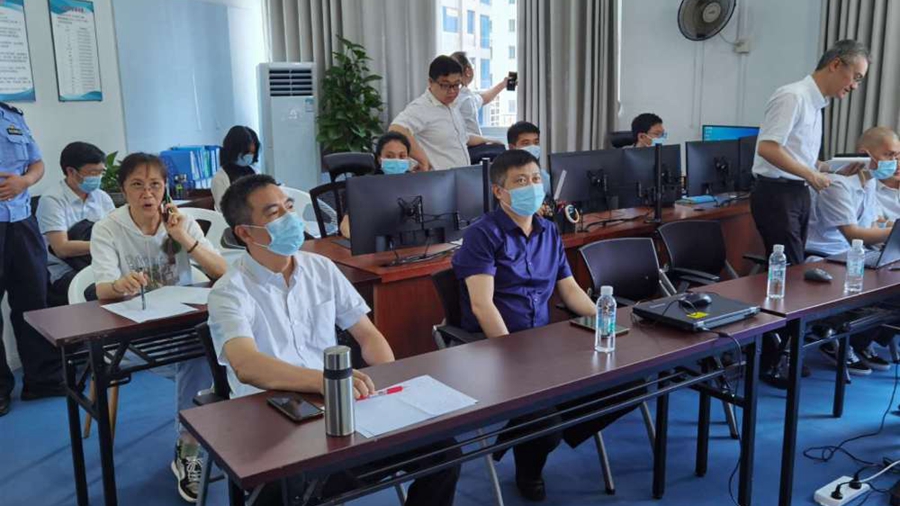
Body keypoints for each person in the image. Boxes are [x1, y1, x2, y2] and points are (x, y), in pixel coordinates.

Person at [209, 174, 460, 505]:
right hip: (273, 418)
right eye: (274, 213)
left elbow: (367, 334)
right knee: (293, 489)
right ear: (245, 233)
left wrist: (388, 380)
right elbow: (247, 365)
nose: (290, 218)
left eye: (289, 207)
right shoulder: (229, 292)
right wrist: (325, 381)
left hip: (337, 406)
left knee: (444, 452)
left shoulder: (321, 269)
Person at [452, 149, 637, 501]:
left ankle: (534, 431)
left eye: (536, 179)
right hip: (498, 346)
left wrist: (606, 323)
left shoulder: (549, 230)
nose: (531, 187)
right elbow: (482, 304)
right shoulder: (483, 234)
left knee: (630, 384)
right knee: (545, 422)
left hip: (545, 343)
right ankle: (532, 458)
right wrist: (512, 355)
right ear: (499, 192)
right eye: (520, 181)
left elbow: (570, 290)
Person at [90, 152, 228, 503]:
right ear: (123, 190)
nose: (147, 193)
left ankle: (196, 440)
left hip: (181, 324)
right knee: (200, 355)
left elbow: (221, 272)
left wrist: (183, 237)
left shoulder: (180, 221)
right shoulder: (108, 228)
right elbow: (102, 289)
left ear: (165, 187)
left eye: (155, 184)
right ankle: (191, 445)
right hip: (132, 333)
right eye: (137, 185)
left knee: (211, 349)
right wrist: (119, 285)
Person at [751, 40, 869, 267]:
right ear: (835, 64)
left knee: (794, 267)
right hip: (777, 193)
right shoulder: (792, 96)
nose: (855, 86)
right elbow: (767, 148)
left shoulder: (816, 104)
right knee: (791, 268)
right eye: (856, 77)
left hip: (798, 192)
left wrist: (831, 168)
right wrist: (811, 175)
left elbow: (800, 156)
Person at [0, 102, 59, 417]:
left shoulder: (11, 116)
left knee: (35, 302)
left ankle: (42, 379)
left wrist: (24, 182)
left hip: (22, 221)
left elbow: (37, 163)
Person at [36, 142, 115, 306]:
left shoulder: (101, 197)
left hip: (99, 264)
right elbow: (61, 248)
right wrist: (101, 244)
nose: (98, 178)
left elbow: (116, 233)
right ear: (71, 171)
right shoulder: (52, 200)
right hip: (65, 270)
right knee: (101, 294)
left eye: (101, 172)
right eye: (93, 173)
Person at [389, 55, 496, 171]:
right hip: (438, 178)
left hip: (459, 176)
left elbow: (461, 137)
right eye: (445, 85)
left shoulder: (452, 105)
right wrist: (422, 159)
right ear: (431, 82)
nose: (452, 91)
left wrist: (487, 140)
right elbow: (396, 130)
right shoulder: (422, 107)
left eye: (456, 85)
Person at [339, 131, 416, 238]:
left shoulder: (416, 182)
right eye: (389, 156)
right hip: (375, 241)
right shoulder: (365, 185)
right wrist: (363, 241)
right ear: (379, 159)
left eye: (402, 156)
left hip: (412, 240)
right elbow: (346, 226)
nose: (397, 161)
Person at [449, 51, 510, 136]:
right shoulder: (465, 99)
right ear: (468, 71)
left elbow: (483, 98)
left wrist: (503, 84)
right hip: (470, 143)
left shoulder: (463, 95)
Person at [211, 125, 260, 212]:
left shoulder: (254, 171)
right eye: (246, 152)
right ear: (235, 151)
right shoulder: (220, 178)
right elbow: (223, 210)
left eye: (252, 153)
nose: (249, 156)